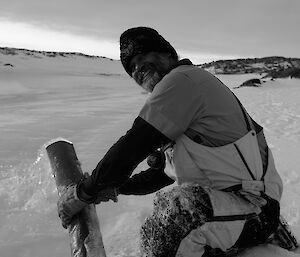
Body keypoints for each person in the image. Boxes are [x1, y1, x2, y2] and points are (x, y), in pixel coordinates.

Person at [57, 27, 284, 256]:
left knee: (179, 221)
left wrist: (83, 193)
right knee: (162, 221)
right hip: (237, 204)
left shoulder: (182, 80)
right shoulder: (182, 100)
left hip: (254, 209)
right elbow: (162, 175)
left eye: (143, 56)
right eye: (132, 67)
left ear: (168, 55)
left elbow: (134, 145)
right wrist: (117, 187)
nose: (138, 68)